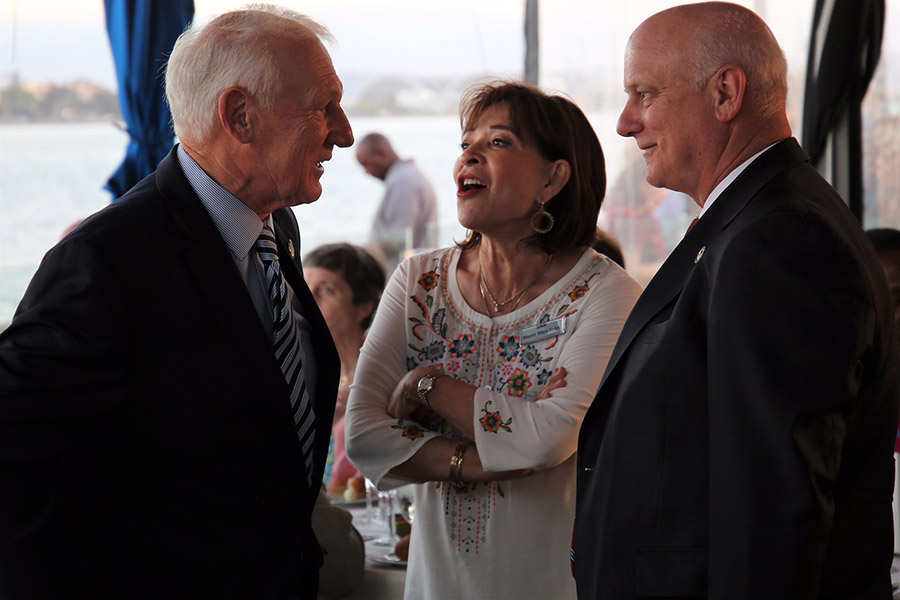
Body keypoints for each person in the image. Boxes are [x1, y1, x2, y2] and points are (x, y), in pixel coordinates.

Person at [0, 5, 353, 598]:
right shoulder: (108, 261)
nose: (343, 131)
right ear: (240, 116)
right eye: (324, 107)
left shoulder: (276, 230)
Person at [574, 3, 900, 598]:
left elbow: (772, 507)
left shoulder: (780, 240)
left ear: (726, 93)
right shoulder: (750, 222)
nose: (624, 123)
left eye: (643, 94)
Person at [345, 81, 642, 599]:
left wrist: (427, 384)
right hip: (435, 585)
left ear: (553, 178)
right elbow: (365, 435)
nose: (470, 156)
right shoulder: (419, 282)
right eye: (466, 143)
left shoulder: (604, 293)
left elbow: (548, 437)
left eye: (499, 142)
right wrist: (478, 459)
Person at [303, 242, 386, 496]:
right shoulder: (297, 372)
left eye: (326, 290)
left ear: (364, 307)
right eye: (305, 288)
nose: (308, 299)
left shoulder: (385, 380)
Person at [356, 132, 439, 270]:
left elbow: (400, 237)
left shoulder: (403, 182)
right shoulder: (410, 175)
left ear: (381, 154)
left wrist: (360, 252)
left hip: (407, 274)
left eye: (366, 164)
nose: (366, 172)